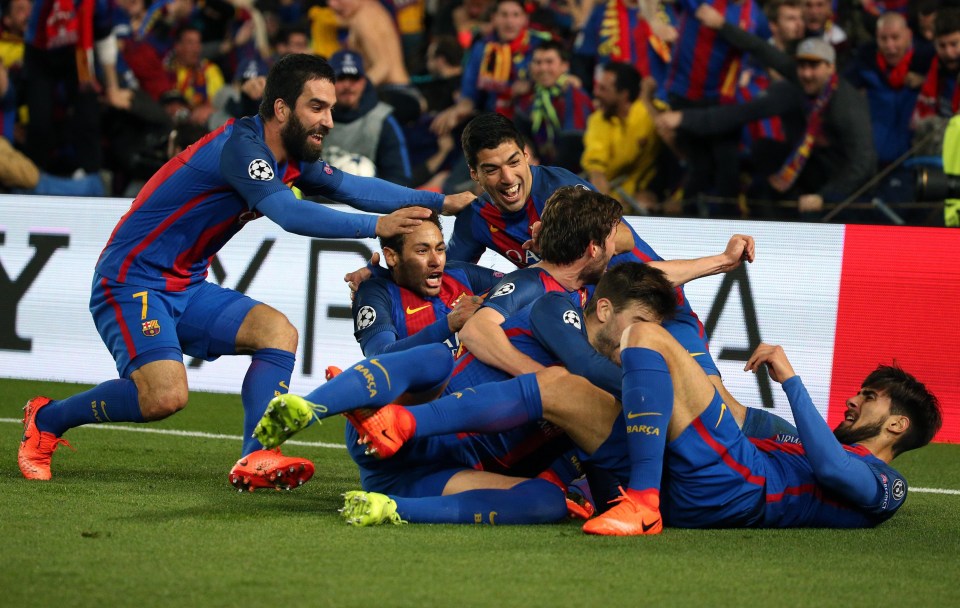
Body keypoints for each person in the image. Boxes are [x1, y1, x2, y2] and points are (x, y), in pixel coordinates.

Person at [17, 53, 473, 491]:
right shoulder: (242, 148)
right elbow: (290, 216)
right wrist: (377, 226)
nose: (329, 121)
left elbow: (354, 186)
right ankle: (47, 419)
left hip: (186, 284)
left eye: (331, 108)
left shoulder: (292, 156)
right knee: (164, 398)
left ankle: (256, 456)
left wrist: (440, 201)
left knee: (278, 333)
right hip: (131, 280)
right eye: (317, 107)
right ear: (281, 108)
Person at [252, 262, 679, 526]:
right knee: (436, 358)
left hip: (432, 476)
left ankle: (388, 509)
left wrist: (574, 485)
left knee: (547, 502)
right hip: (392, 427)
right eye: (639, 324)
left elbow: (590, 469)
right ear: (604, 310)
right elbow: (585, 367)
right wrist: (655, 388)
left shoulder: (606, 396)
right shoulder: (558, 310)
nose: (640, 341)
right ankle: (310, 408)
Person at [581, 327, 942, 533]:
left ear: (897, 424)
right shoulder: (801, 444)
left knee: (646, 335)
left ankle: (642, 504)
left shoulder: (887, 482)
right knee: (562, 388)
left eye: (869, 397)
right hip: (697, 483)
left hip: (740, 483)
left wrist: (791, 380)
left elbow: (833, 468)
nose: (852, 400)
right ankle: (570, 487)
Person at [656, 36, 875, 221]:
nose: (807, 73)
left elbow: (863, 163)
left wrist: (825, 196)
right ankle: (782, 224)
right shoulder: (795, 90)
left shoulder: (847, 104)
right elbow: (741, 110)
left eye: (814, 66)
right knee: (764, 152)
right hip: (810, 167)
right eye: (802, 66)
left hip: (845, 183)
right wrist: (685, 118)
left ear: (830, 67)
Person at [352, 208, 501, 357]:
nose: (436, 261)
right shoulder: (375, 293)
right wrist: (449, 324)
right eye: (422, 251)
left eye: (440, 249)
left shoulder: (459, 273)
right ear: (391, 257)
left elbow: (518, 287)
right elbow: (379, 357)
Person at [581, 61, 662, 213]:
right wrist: (605, 203)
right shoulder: (597, 120)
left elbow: (671, 138)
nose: (596, 93)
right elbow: (596, 166)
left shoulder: (648, 112)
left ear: (623, 94)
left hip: (651, 196)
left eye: (603, 89)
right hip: (611, 200)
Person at [322, 50, 412, 184]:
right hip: (316, 202)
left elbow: (399, 177)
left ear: (364, 81)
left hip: (370, 202)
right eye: (341, 78)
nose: (347, 85)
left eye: (354, 78)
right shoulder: (314, 118)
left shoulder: (382, 120)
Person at [515, 39, 593, 170]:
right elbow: (519, 134)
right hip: (541, 169)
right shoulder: (529, 97)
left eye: (549, 62)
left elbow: (573, 144)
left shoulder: (574, 95)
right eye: (538, 62)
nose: (543, 68)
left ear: (565, 66)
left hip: (572, 175)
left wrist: (547, 176)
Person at [327, 0, 410, 86]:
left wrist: (355, 89)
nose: (332, 4)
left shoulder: (364, 18)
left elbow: (384, 66)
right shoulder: (369, 10)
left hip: (394, 90)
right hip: (395, 88)